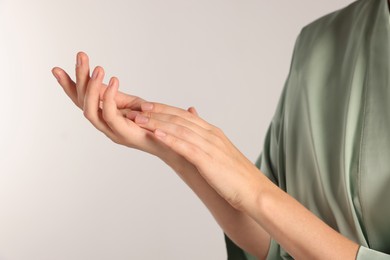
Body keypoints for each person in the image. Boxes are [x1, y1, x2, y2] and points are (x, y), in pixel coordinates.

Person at [51, 0, 390, 258]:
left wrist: (255, 190)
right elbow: (275, 244)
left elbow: (260, 198)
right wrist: (178, 150)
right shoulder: (318, 41)